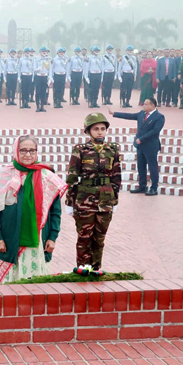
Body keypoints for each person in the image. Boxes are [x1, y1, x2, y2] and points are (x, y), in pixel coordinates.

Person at [0, 134, 66, 284]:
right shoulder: (5, 176)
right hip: (11, 240)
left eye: (32, 150)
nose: (28, 154)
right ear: (15, 151)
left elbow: (55, 211)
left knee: (37, 286)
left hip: (38, 243)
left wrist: (52, 237)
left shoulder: (47, 176)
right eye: (23, 150)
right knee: (11, 287)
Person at [64, 113, 122, 274]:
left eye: (103, 129)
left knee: (100, 238)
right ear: (88, 131)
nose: (100, 132)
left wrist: (115, 201)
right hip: (84, 199)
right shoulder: (80, 150)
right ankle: (83, 269)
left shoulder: (113, 149)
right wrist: (69, 202)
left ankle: (96, 268)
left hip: (105, 200)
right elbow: (72, 177)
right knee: (84, 237)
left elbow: (117, 177)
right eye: (96, 129)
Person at [108, 97, 163, 196]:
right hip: (140, 146)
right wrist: (114, 114)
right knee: (141, 166)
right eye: (144, 104)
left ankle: (154, 188)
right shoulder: (142, 114)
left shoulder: (159, 117)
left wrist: (141, 139)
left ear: (153, 105)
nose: (144, 105)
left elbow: (155, 131)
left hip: (150, 146)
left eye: (146, 104)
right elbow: (129, 116)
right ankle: (142, 186)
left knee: (152, 166)